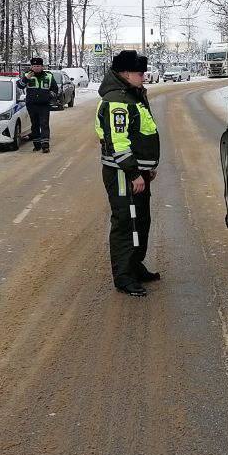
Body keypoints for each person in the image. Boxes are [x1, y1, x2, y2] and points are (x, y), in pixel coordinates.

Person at [95, 50, 161, 297]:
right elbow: (117, 142)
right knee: (125, 222)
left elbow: (142, 134)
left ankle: (135, 265)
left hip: (137, 170)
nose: (143, 76)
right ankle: (124, 276)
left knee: (141, 220)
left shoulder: (133, 95)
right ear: (124, 73)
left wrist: (147, 168)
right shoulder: (117, 101)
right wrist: (134, 173)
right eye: (139, 72)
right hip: (121, 172)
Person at [18, 57, 58, 153]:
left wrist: (49, 96)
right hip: (31, 105)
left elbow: (55, 89)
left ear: (42, 67)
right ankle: (37, 144)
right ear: (32, 66)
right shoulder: (27, 75)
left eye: (38, 66)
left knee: (44, 124)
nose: (36, 68)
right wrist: (26, 78)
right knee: (34, 124)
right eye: (34, 66)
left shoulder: (48, 76)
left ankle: (45, 145)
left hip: (44, 104)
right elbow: (20, 86)